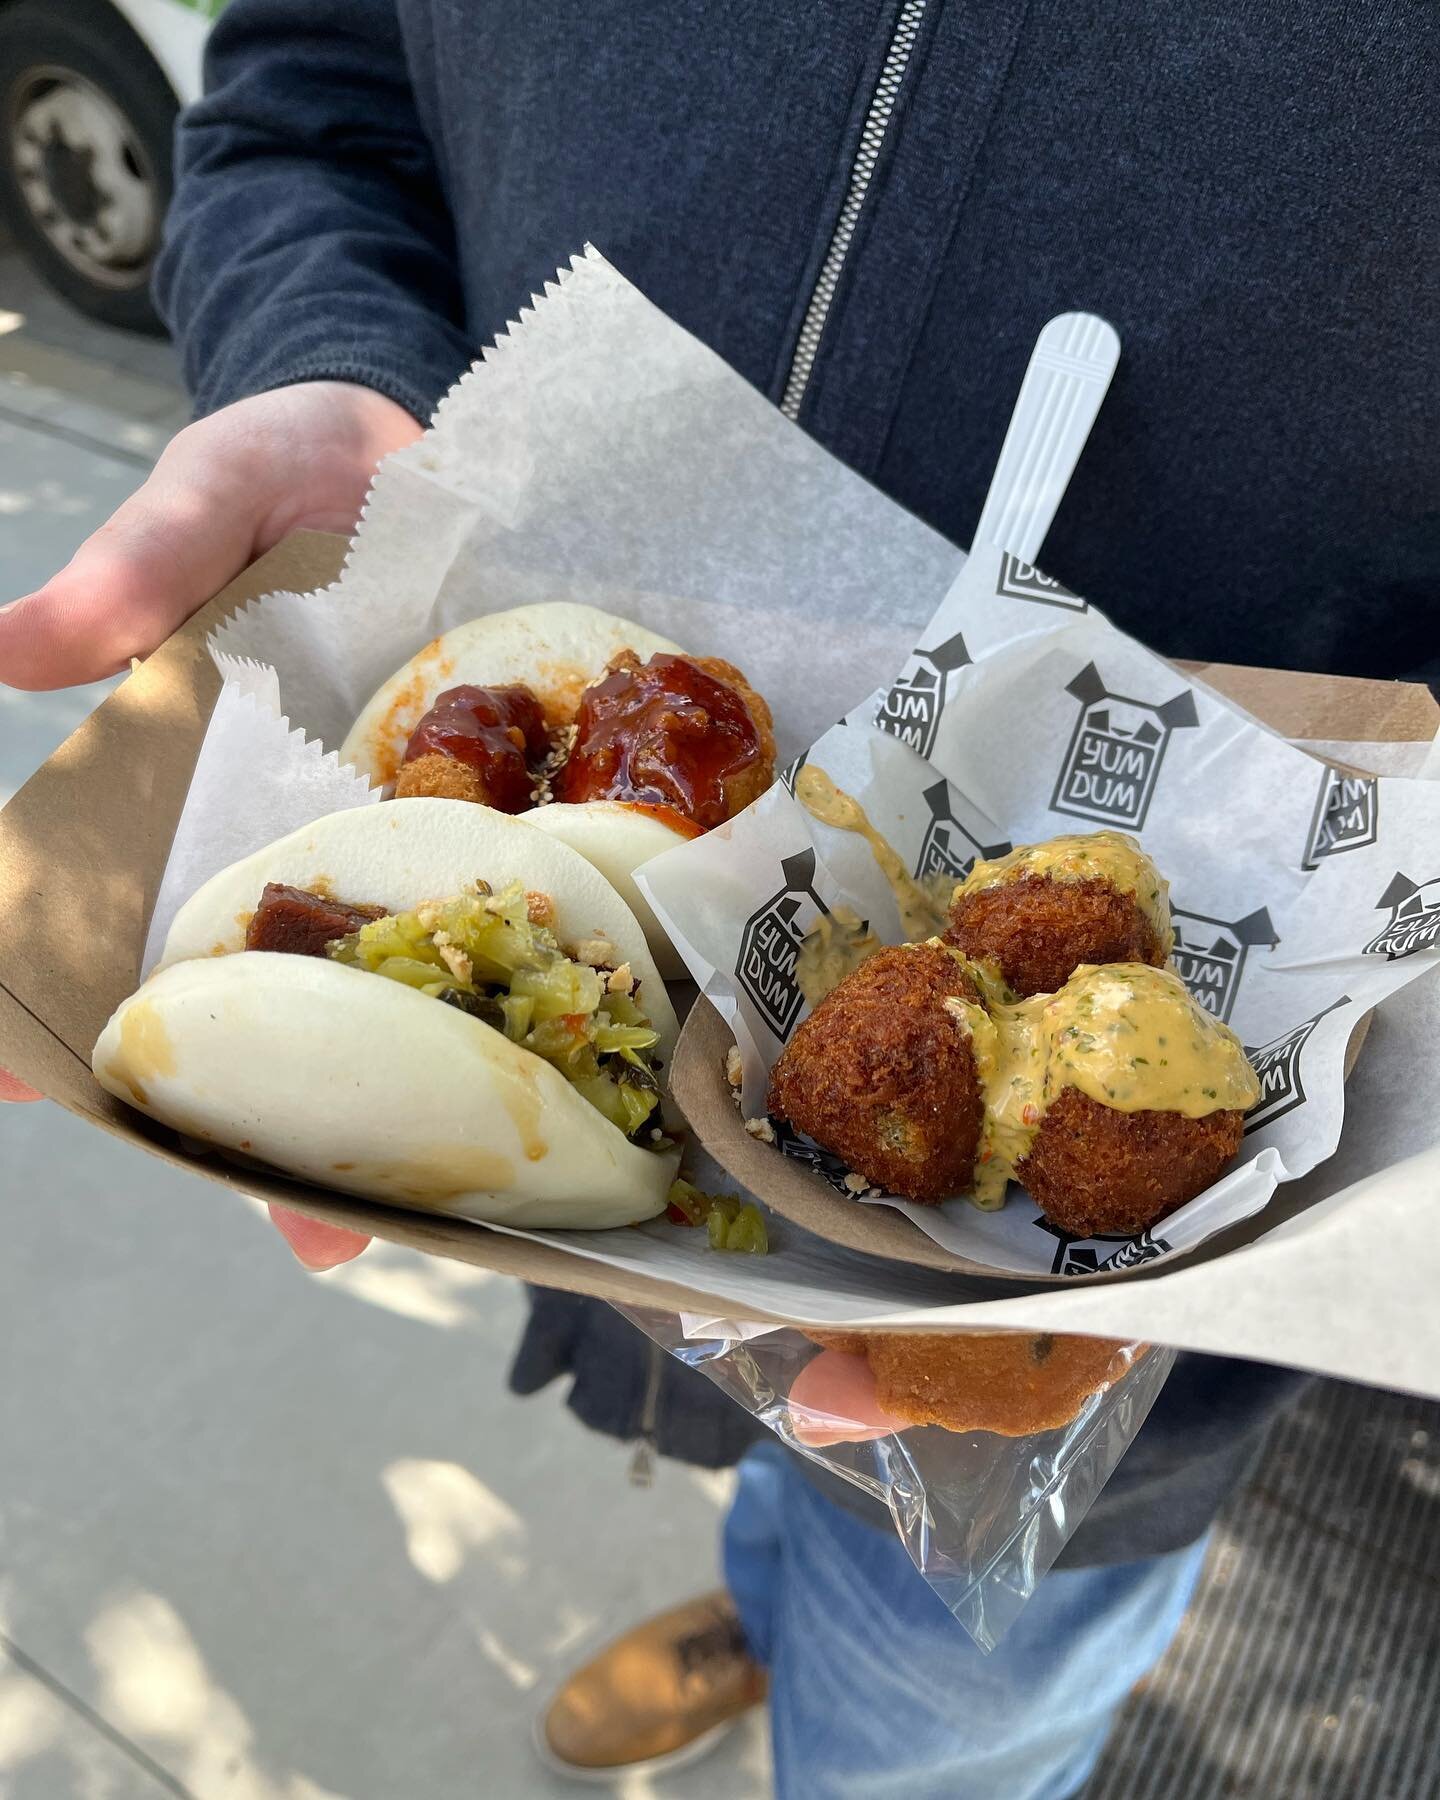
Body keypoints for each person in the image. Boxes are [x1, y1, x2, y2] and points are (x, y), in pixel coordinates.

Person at [1, 5, 1434, 1795]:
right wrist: (327, 352)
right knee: (765, 1455)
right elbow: (312, 77)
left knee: (940, 1710)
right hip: (653, 1108)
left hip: (1128, 1309)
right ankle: (756, 1616)